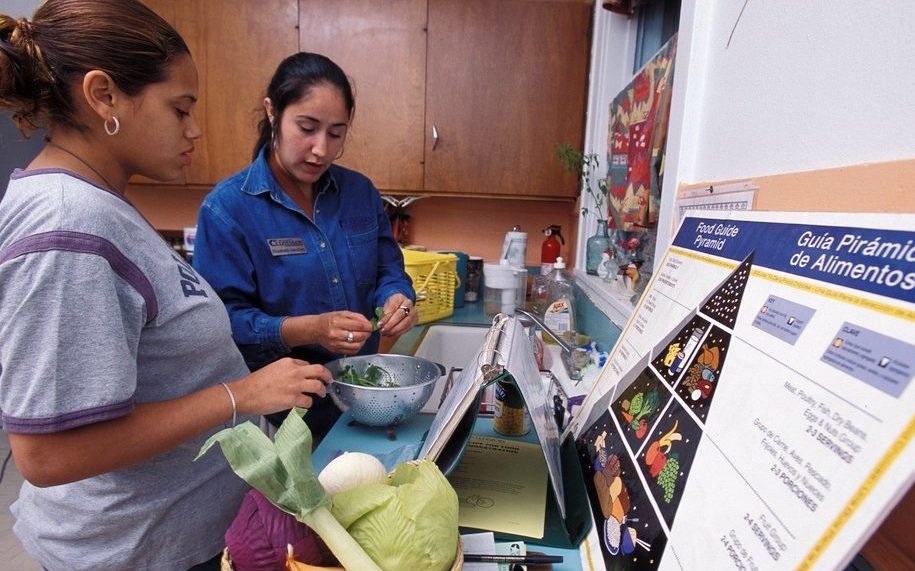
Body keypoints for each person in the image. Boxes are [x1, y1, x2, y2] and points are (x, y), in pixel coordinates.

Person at [0, 2, 332, 570]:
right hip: (129, 551)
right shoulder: (66, 226)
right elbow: (47, 454)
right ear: (104, 96)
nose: (194, 128)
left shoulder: (100, 207)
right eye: (180, 109)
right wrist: (241, 395)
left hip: (178, 535)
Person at [192, 52, 418, 438]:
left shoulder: (359, 193)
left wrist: (397, 297)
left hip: (364, 395)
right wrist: (308, 329)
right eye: (307, 128)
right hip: (282, 412)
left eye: (336, 133)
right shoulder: (228, 208)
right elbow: (222, 321)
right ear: (272, 112)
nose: (321, 150)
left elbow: (387, 269)